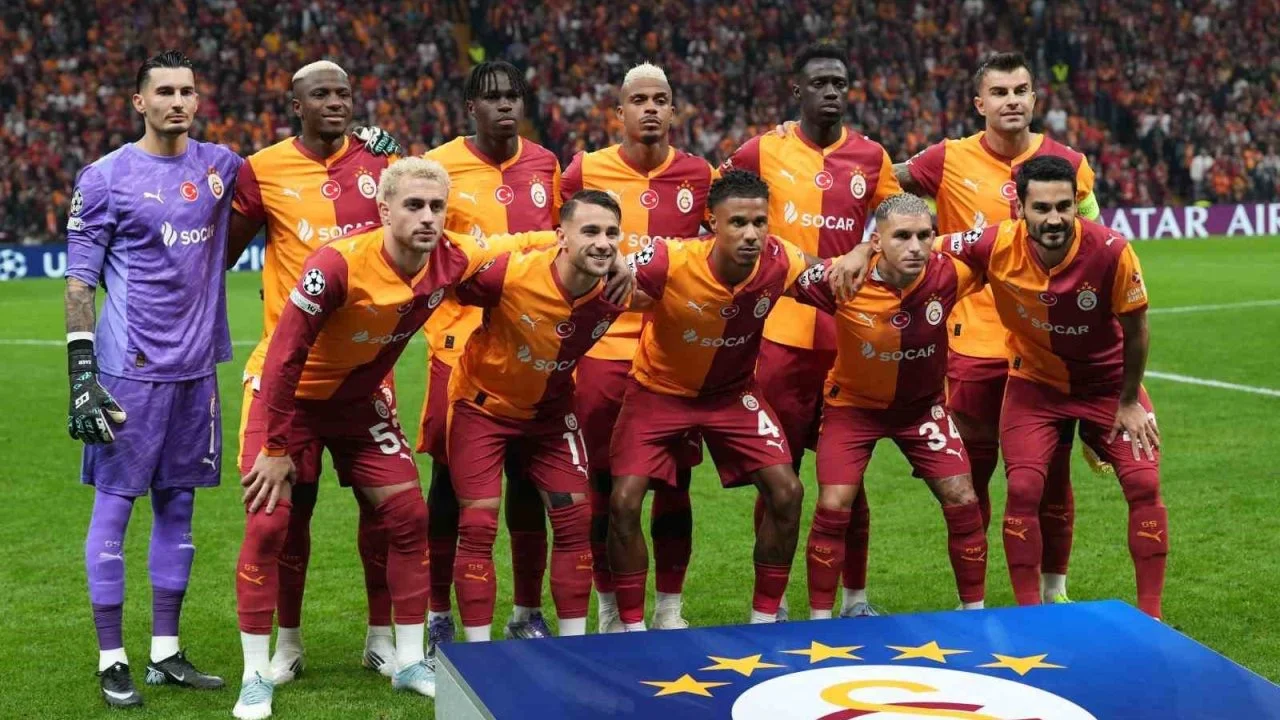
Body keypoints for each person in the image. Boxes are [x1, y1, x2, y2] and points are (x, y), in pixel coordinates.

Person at [231, 157, 564, 718]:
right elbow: (285, 355)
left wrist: (570, 239)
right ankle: (254, 673)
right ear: (384, 211)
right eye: (414, 205)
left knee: (409, 516)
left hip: (358, 401)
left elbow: (516, 243)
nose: (428, 217)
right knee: (268, 523)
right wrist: (276, 447)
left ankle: (409, 661)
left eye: (437, 206)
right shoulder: (336, 264)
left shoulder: (451, 257)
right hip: (287, 396)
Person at [850, 156, 1166, 619]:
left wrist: (1129, 400)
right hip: (1035, 386)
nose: (1054, 219)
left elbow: (1137, 330)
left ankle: (1152, 617)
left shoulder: (1113, 250)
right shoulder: (995, 242)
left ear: (1076, 205)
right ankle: (1028, 615)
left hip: (1107, 385)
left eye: (1063, 207)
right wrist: (865, 249)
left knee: (1144, 483)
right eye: (1042, 208)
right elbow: (924, 241)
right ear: (1020, 208)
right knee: (1023, 488)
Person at [65, 50, 241, 708]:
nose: (177, 101)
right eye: (163, 91)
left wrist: (363, 145)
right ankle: (111, 658)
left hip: (196, 373)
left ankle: (165, 652)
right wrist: (81, 375)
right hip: (127, 373)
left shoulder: (220, 167)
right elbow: (79, 283)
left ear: (198, 100)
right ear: (139, 102)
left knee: (180, 506)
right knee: (115, 506)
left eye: (186, 91)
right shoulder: (105, 177)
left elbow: (293, 170)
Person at [606, 170, 857, 629]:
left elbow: (830, 274)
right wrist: (617, 269)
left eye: (759, 222)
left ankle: (765, 618)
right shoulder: (670, 257)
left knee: (787, 492)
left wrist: (860, 252)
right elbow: (616, 271)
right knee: (623, 501)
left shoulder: (780, 259)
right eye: (738, 222)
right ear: (712, 223)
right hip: (658, 392)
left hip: (732, 396)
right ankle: (633, 627)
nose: (751, 234)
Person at [897, 52, 1102, 604]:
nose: (1012, 100)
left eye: (1020, 90)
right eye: (1000, 92)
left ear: (1034, 98)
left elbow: (1099, 244)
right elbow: (877, 182)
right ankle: (975, 601)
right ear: (980, 103)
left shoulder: (1069, 162)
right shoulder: (946, 159)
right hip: (973, 343)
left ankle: (1054, 592)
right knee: (974, 475)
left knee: (1051, 476)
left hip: (1045, 347)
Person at [227, 59, 404, 685]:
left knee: (383, 511)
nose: (336, 102)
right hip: (291, 376)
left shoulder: (381, 162)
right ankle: (289, 643)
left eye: (344, 93)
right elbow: (224, 250)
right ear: (295, 105)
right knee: (288, 513)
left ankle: (381, 639)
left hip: (365, 374)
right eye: (321, 94)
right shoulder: (263, 169)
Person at [723, 42, 901, 618]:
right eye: (820, 83)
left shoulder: (871, 157)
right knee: (779, 478)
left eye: (839, 83)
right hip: (778, 340)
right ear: (797, 91)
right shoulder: (761, 149)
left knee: (849, 478)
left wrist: (866, 248)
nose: (831, 92)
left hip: (848, 340)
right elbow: (715, 207)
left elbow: (902, 223)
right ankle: (769, 607)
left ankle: (855, 599)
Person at [561, 62, 718, 631]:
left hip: (675, 355)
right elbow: (560, 242)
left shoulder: (700, 175)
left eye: (660, 99)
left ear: (673, 110)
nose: (650, 108)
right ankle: (609, 605)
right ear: (619, 112)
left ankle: (670, 607)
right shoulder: (584, 171)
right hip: (602, 351)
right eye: (639, 100)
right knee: (603, 486)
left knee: (674, 486)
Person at [417, 60, 563, 647]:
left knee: (528, 480)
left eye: (513, 96)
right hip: (457, 346)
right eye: (492, 96)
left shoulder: (545, 164)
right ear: (470, 107)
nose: (505, 105)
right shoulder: (440, 166)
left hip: (531, 345)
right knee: (448, 482)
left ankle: (526, 611)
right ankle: (437, 613)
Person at [790, 195, 988, 617]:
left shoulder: (949, 273)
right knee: (834, 504)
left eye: (923, 235)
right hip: (852, 409)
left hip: (922, 411)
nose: (915, 247)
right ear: (878, 240)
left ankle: (974, 611)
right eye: (902, 236)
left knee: (963, 497)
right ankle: (821, 620)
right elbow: (782, 271)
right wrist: (855, 253)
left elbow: (1003, 251)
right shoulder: (844, 278)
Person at [447, 190, 630, 642]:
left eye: (611, 233)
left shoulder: (620, 286)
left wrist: (627, 260)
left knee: (574, 519)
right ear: (561, 236)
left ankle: (572, 647)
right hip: (483, 407)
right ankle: (478, 652)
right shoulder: (510, 273)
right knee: (478, 524)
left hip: (551, 413)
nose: (603, 243)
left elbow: (680, 258)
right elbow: (447, 270)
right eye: (590, 231)